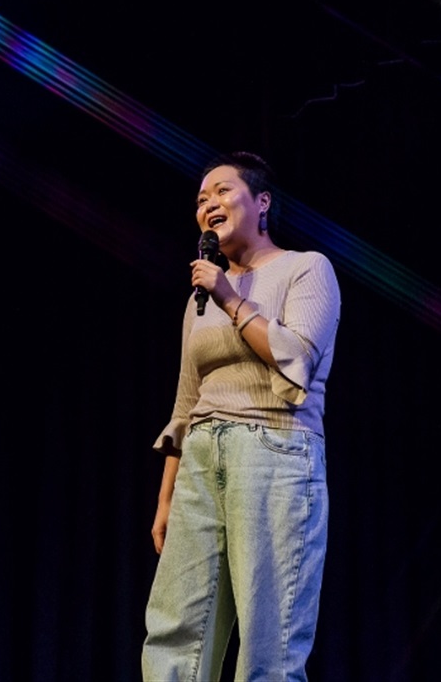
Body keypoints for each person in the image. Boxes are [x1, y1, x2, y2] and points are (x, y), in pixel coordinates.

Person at [141, 151, 341, 681]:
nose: (209, 204)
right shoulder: (199, 301)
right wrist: (166, 497)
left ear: (262, 202)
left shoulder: (306, 268)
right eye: (202, 199)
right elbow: (186, 403)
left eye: (223, 192)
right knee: (176, 630)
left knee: (268, 640)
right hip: (201, 461)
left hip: (273, 450)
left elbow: (298, 356)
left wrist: (230, 298)